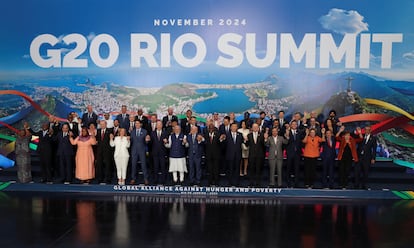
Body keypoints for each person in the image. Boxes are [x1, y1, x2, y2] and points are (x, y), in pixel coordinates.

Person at [130, 120, 150, 185]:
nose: (137, 124)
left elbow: (146, 142)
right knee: (133, 165)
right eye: (135, 123)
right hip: (134, 150)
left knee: (143, 165)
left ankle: (145, 179)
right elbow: (131, 142)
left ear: (140, 124)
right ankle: (133, 178)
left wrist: (147, 140)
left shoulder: (144, 131)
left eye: (138, 123)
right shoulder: (132, 132)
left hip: (142, 150)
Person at [284, 120, 303, 188]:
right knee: (288, 168)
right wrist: (287, 135)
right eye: (293, 124)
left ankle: (296, 183)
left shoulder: (299, 132)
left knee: (297, 169)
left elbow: (301, 142)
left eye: (295, 124)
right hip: (290, 153)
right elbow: (286, 142)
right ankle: (288, 183)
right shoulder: (287, 132)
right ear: (291, 125)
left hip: (297, 154)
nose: (294, 125)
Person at [150, 121, 169, 185]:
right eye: (157, 125)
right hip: (155, 153)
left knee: (163, 167)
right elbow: (150, 143)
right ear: (156, 126)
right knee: (155, 167)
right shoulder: (152, 133)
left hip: (162, 152)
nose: (159, 126)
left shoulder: (165, 133)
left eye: (160, 125)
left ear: (162, 125)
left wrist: (166, 142)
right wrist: (147, 141)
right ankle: (155, 180)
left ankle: (163, 180)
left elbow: (168, 142)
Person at [96, 120, 114, 184]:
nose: (102, 125)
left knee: (107, 165)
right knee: (99, 165)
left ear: (106, 124)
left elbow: (112, 140)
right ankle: (100, 179)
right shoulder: (98, 131)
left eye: (103, 124)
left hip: (107, 151)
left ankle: (107, 179)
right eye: (101, 124)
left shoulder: (110, 131)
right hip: (99, 151)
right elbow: (96, 141)